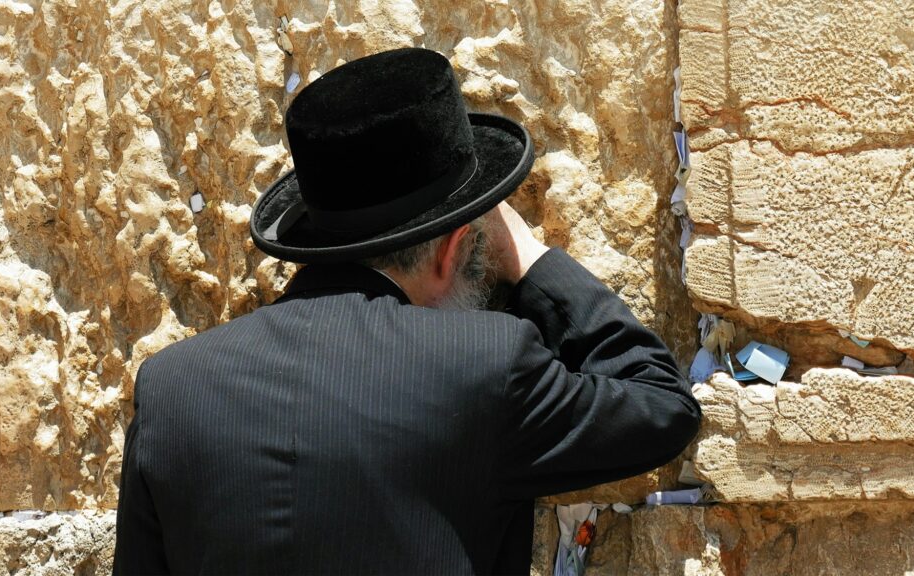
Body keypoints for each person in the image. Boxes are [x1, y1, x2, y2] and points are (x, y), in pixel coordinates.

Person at [114, 47, 702, 575]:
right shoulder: (486, 366)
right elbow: (661, 404)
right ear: (451, 251)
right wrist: (530, 259)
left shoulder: (172, 388)